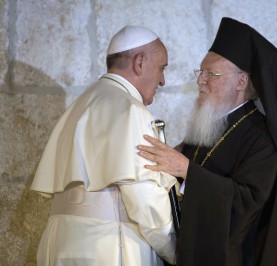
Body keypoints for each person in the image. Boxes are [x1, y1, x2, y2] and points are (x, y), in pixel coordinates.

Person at [137, 17, 277, 266]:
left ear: (241, 82)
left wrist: (185, 169)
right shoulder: (209, 123)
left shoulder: (261, 139)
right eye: (200, 72)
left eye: (211, 73)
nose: (200, 80)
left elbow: (248, 202)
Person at [31, 25, 177, 265]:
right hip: (107, 247)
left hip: (58, 243)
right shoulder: (131, 110)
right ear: (140, 62)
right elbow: (146, 204)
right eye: (162, 68)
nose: (162, 80)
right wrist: (177, 251)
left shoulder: (81, 104)